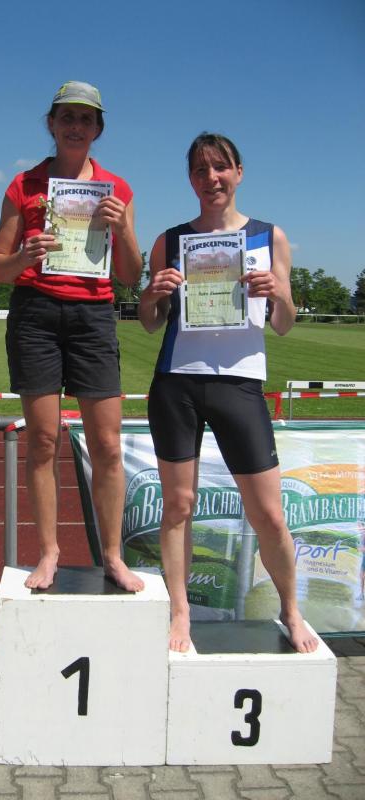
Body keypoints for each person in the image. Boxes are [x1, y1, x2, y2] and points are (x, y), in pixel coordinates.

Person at [139, 132, 319, 653]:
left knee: (268, 514)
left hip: (240, 383)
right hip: (177, 381)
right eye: (200, 170)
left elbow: (283, 325)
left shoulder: (269, 236)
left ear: (238, 172)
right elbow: (151, 322)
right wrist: (151, 295)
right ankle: (180, 613)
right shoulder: (170, 240)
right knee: (178, 505)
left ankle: (291, 609)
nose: (211, 178)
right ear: (190, 179)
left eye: (220, 167)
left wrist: (280, 294)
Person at [0, 81, 144, 592]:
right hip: (35, 315)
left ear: (98, 129)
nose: (76, 126)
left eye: (86, 119)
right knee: (43, 440)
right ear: (51, 124)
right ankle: (50, 552)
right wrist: (24, 256)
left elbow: (130, 275)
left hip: (93, 316)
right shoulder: (24, 184)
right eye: (67, 117)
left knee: (107, 444)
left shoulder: (117, 190)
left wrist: (123, 230)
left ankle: (113, 555)